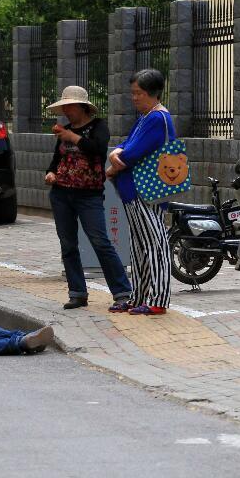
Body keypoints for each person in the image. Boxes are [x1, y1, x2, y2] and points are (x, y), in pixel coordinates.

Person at [44, 86, 132, 311]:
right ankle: (77, 293)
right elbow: (56, 160)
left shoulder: (98, 126)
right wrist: (51, 173)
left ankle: (122, 291)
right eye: (64, 106)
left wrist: (72, 136)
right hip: (61, 194)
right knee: (68, 245)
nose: (66, 110)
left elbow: (97, 149)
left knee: (100, 242)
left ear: (82, 106)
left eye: (70, 105)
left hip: (89, 195)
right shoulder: (64, 130)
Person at [106, 68, 173, 316]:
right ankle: (140, 296)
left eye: (139, 93)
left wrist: (114, 160)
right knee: (139, 245)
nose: (134, 98)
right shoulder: (147, 116)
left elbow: (129, 154)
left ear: (153, 94)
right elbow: (124, 147)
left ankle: (157, 299)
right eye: (132, 93)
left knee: (154, 244)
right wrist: (117, 154)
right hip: (136, 191)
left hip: (145, 190)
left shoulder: (157, 118)